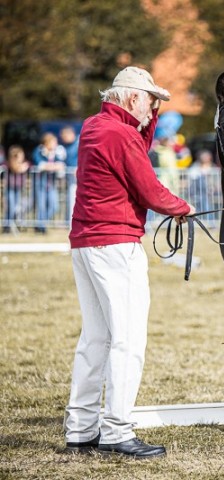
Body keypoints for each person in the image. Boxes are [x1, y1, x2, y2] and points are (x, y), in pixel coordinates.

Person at [64, 66, 195, 459]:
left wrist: (150, 113)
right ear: (133, 98)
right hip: (116, 244)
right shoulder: (119, 134)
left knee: (95, 339)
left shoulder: (95, 126)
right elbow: (149, 188)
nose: (152, 109)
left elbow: (138, 144)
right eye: (150, 102)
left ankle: (81, 429)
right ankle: (118, 430)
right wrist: (182, 207)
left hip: (87, 243)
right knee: (127, 340)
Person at [32, 132, 66, 232]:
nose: (55, 144)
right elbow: (40, 164)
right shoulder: (39, 151)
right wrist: (52, 166)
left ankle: (41, 223)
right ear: (47, 142)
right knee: (41, 206)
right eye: (53, 142)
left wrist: (51, 166)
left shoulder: (56, 152)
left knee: (54, 206)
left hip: (51, 183)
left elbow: (61, 164)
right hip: (40, 183)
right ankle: (41, 227)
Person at [2, 145, 30, 233]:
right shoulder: (8, 164)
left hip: (18, 188)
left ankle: (11, 224)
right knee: (11, 207)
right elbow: (13, 168)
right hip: (10, 188)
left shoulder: (25, 163)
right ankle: (7, 226)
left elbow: (29, 164)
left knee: (16, 207)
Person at [60, 126, 79, 225]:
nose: (62, 138)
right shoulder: (64, 146)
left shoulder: (79, 142)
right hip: (70, 176)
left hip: (80, 175)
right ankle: (69, 221)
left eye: (64, 136)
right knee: (70, 198)